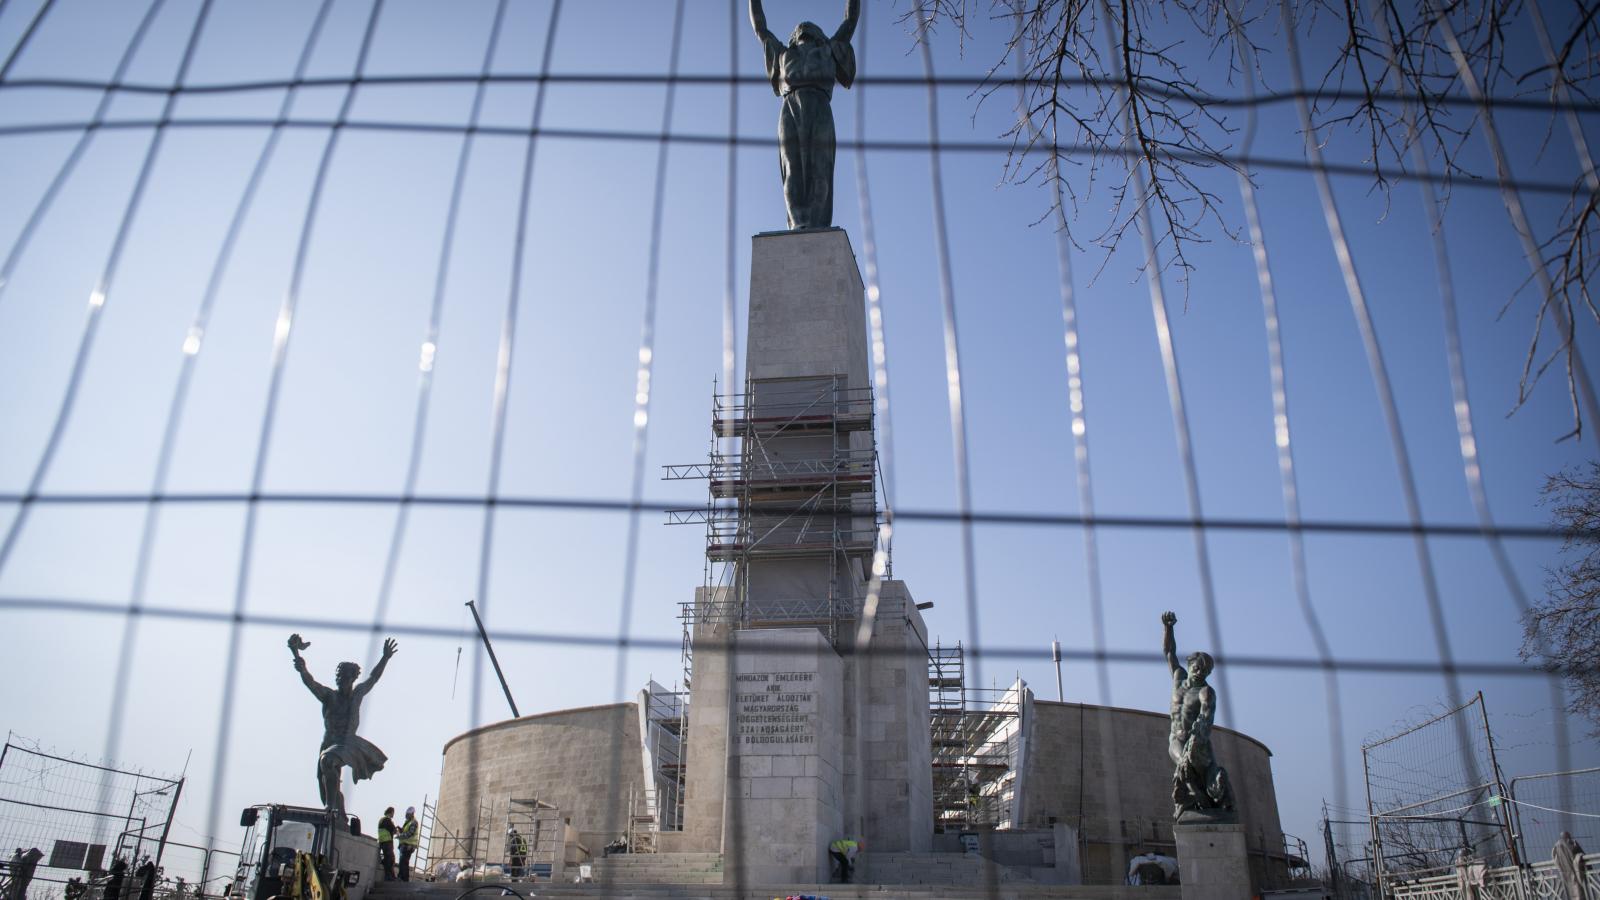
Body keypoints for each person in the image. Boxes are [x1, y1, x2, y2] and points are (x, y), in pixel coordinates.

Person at [747, 0, 859, 230]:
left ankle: (817, 225)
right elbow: (760, 28)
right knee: (792, 167)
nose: (803, 26)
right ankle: (798, 223)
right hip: (790, 108)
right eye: (799, 28)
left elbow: (850, 20)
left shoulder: (828, 49)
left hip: (819, 106)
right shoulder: (783, 53)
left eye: (809, 26)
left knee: (820, 169)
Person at [287, 633, 397, 814]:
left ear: (351, 679)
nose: (340, 680)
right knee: (326, 785)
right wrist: (303, 670)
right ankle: (340, 815)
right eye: (338, 677)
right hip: (329, 743)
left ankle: (330, 809)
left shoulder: (357, 694)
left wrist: (385, 657)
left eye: (344, 677)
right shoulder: (329, 696)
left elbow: (373, 678)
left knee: (327, 762)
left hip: (347, 742)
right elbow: (311, 683)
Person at [1161, 611, 1234, 820]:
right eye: (1197, 667)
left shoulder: (1206, 692)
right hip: (1177, 737)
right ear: (1190, 665)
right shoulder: (1178, 677)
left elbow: (1205, 718)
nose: (1200, 672)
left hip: (1198, 741)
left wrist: (1196, 738)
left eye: (1205, 670)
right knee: (1183, 767)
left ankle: (1208, 808)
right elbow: (1169, 652)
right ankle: (1193, 805)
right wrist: (1168, 628)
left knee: (1211, 779)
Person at [1554, 831, 1586, 900]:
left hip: (1564, 873)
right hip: (1572, 871)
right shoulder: (1570, 843)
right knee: (1578, 891)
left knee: (1571, 891)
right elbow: (1578, 852)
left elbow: (1554, 857)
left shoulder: (1556, 846)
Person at [398, 807, 420, 882]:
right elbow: (406, 831)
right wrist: (401, 830)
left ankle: (403, 879)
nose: (406, 816)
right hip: (405, 845)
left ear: (411, 814)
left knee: (403, 862)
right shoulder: (408, 822)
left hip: (408, 845)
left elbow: (410, 833)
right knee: (403, 862)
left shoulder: (413, 822)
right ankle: (403, 878)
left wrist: (400, 836)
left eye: (407, 815)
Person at [377, 807, 397, 881]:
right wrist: (397, 830)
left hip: (382, 842)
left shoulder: (381, 820)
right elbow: (394, 830)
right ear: (391, 812)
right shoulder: (388, 820)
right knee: (390, 859)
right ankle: (390, 877)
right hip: (387, 842)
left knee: (387, 859)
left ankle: (389, 876)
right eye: (393, 813)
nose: (393, 814)